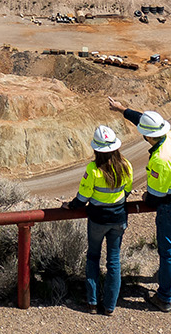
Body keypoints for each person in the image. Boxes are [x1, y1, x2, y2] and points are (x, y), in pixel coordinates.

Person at [108, 97, 171, 312]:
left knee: (168, 252)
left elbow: (156, 197)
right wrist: (123, 110)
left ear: (148, 136)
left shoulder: (159, 159)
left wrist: (145, 199)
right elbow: (144, 120)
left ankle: (165, 297)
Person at [64, 124, 133, 315]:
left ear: (96, 149)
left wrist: (70, 206)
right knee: (114, 262)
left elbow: (83, 197)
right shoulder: (126, 165)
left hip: (97, 221)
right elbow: (126, 191)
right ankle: (110, 306)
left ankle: (92, 302)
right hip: (118, 219)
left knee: (93, 257)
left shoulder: (93, 170)